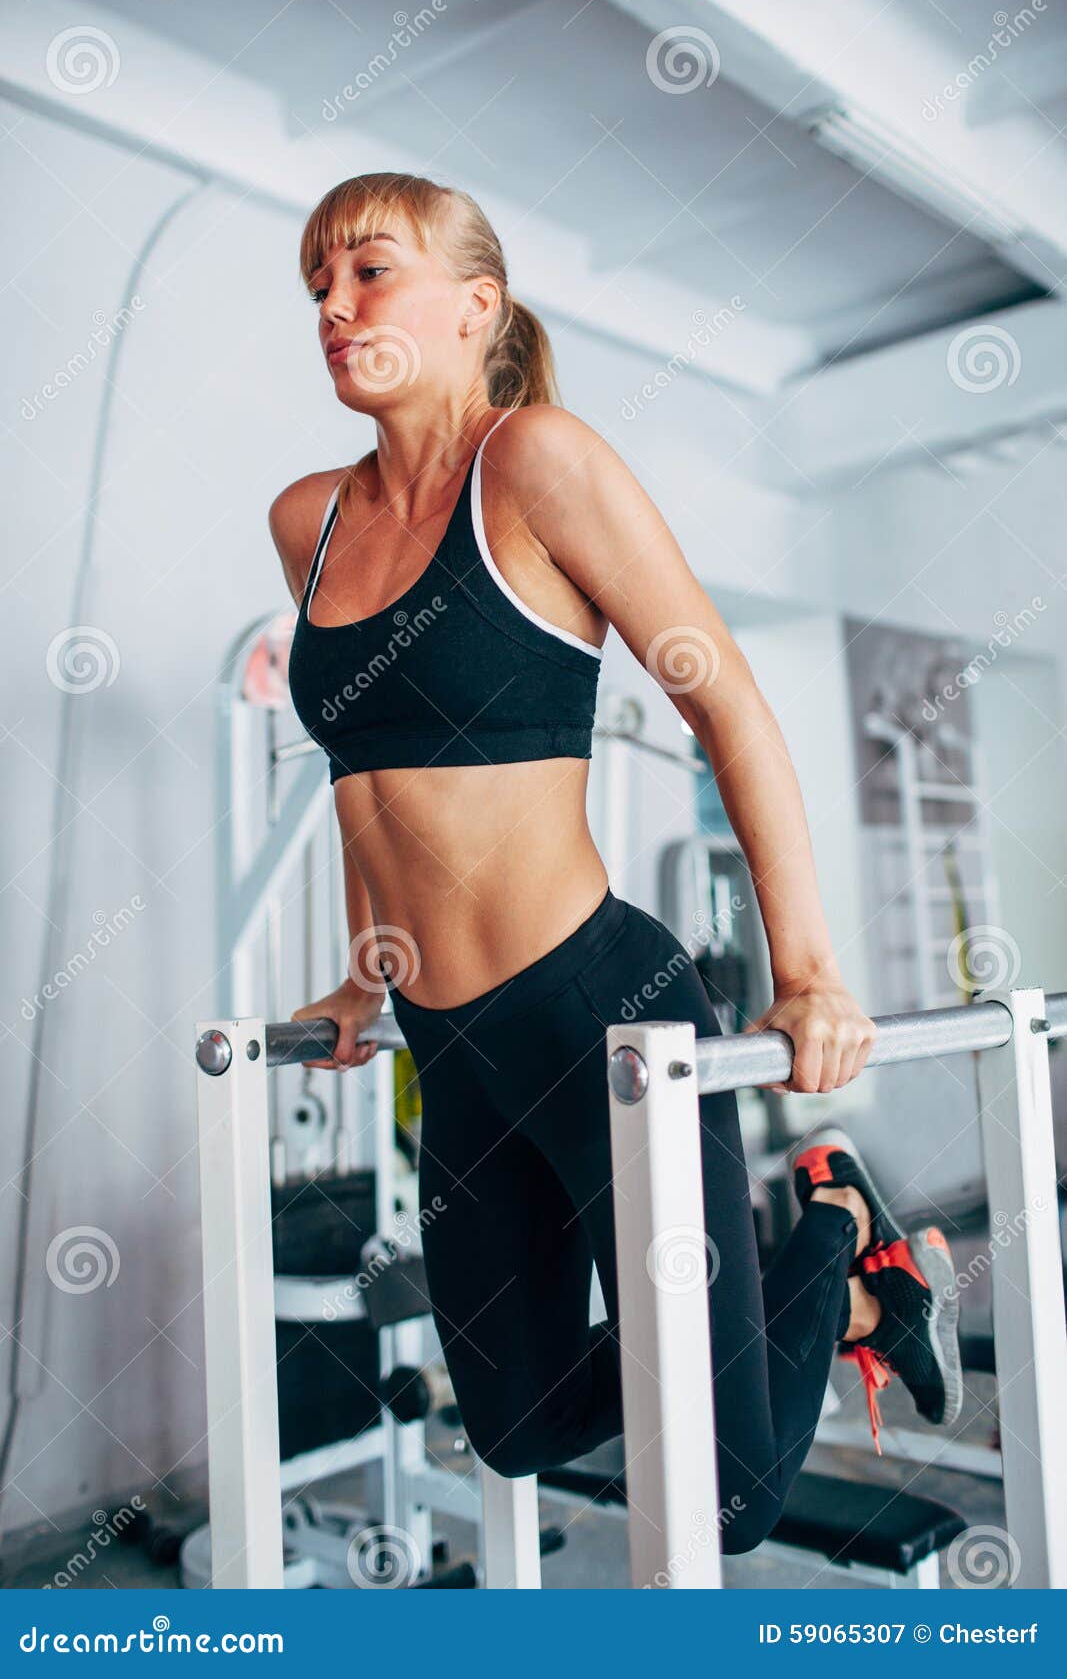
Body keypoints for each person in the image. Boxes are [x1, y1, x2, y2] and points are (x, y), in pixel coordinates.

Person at [272, 173, 962, 1552]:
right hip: (448, 1043)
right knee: (520, 1424)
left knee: (730, 1490)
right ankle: (842, 1284)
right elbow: (365, 776)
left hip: (605, 1020)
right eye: (319, 287)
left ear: (478, 309)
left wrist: (810, 971)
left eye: (369, 272)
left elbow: (726, 700)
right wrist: (360, 981)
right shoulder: (311, 520)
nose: (337, 308)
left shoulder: (536, 465)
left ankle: (839, 1246)